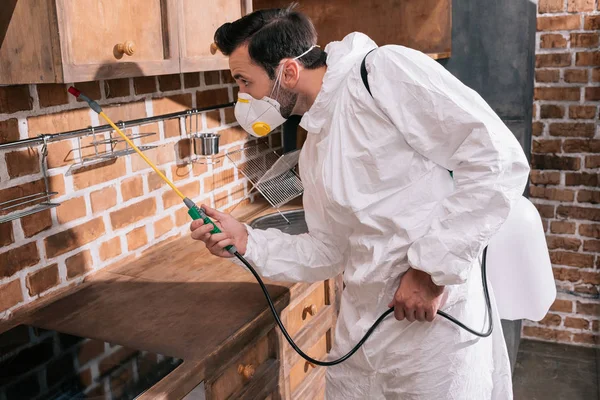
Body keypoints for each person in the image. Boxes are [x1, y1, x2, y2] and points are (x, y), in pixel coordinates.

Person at [190, 5, 530, 400]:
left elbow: (497, 159)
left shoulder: (382, 73)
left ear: (287, 72)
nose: (243, 96)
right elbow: (329, 249)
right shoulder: (316, 143)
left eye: (244, 81)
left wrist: (430, 271)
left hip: (432, 332)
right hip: (363, 332)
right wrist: (248, 240)